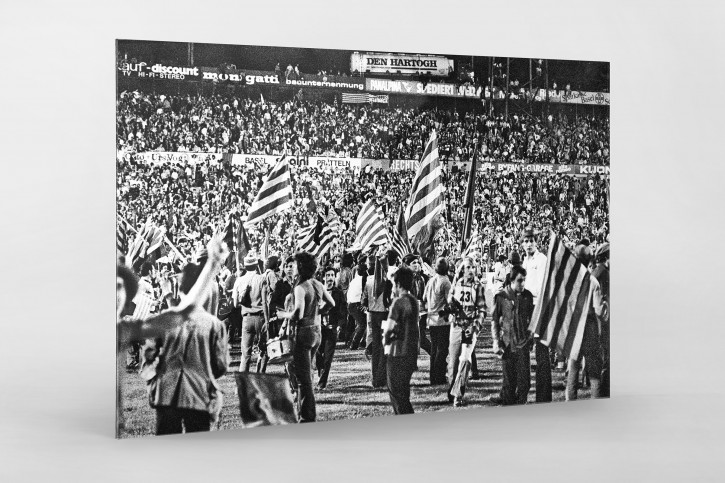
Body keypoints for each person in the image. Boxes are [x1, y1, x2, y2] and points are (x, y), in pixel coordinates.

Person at [140, 261, 229, 435]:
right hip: (199, 393)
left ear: (179, 288)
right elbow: (221, 365)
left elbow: (148, 355)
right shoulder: (215, 325)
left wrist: (154, 380)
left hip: (166, 392)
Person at [276, 251, 335, 423]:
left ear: (300, 267)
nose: (291, 268)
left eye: (294, 265)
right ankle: (306, 413)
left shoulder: (300, 288)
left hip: (304, 333)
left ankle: (306, 417)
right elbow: (331, 303)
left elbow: (298, 314)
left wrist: (283, 316)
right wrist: (318, 313)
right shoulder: (317, 283)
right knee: (308, 372)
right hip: (317, 331)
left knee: (303, 379)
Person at [566, 243, 609, 400]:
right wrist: (606, 307)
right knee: (594, 373)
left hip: (574, 325)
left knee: (573, 370)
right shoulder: (593, 282)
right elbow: (599, 310)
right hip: (589, 326)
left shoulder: (569, 281)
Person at [492, 265, 534, 405]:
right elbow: (495, 321)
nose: (522, 284)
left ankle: (521, 403)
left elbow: (532, 319)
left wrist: (530, 337)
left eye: (524, 280)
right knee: (509, 382)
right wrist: (496, 341)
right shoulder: (501, 297)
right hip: (507, 344)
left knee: (524, 382)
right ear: (512, 280)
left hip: (522, 343)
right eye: (519, 281)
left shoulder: (527, 296)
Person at [447, 257, 487, 406]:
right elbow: (449, 300)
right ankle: (452, 389)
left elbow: (482, 310)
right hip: (456, 325)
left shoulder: (478, 286)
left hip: (470, 326)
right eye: (468, 267)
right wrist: (450, 307)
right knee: (453, 361)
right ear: (462, 269)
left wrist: (475, 326)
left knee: (465, 359)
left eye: (473, 267)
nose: (471, 270)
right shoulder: (456, 283)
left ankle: (458, 394)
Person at [383, 265, 420, 415]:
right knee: (404, 393)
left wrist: (385, 341)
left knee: (396, 394)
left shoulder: (398, 303)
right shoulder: (414, 301)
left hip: (397, 352)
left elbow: (389, 329)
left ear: (398, 284)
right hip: (410, 352)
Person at [521, 227, 551, 403]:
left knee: (541, 352)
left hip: (538, 307)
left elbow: (541, 288)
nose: (529, 244)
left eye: (531, 240)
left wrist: (525, 292)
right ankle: (523, 392)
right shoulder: (524, 261)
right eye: (526, 240)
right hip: (525, 308)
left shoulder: (541, 260)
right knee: (523, 351)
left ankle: (544, 395)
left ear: (536, 242)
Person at [233, 255, 267, 372]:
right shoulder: (261, 279)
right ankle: (260, 376)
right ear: (256, 265)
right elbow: (265, 302)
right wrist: (267, 320)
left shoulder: (239, 280)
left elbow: (235, 304)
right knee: (263, 350)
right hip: (260, 317)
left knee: (245, 354)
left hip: (246, 318)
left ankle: (243, 382)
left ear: (245, 266)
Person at [361, 251, 389, 388]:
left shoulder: (369, 280)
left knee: (376, 346)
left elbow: (363, 300)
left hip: (373, 314)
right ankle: (380, 377)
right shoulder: (386, 280)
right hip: (383, 314)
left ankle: (375, 377)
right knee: (383, 347)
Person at [316, 266, 346, 389]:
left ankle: (321, 384)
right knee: (317, 354)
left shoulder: (338, 293)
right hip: (318, 328)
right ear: (324, 277)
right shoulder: (318, 291)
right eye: (327, 275)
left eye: (332, 275)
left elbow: (343, 311)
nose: (330, 278)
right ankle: (320, 369)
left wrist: (339, 326)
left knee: (328, 358)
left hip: (331, 328)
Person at [423, 256, 452, 385]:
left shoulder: (431, 280)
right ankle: (439, 376)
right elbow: (450, 301)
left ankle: (433, 376)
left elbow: (424, 297)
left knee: (434, 349)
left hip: (431, 319)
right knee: (442, 349)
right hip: (442, 319)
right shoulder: (446, 281)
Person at [403, 254, 431, 356]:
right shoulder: (404, 278)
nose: (417, 264)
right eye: (413, 263)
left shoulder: (422, 278)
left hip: (421, 312)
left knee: (421, 339)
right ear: (407, 265)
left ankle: (439, 361)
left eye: (418, 262)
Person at [347, 262, 368, 350]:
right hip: (356, 304)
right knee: (362, 325)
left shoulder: (354, 280)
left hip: (351, 304)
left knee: (360, 324)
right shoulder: (363, 280)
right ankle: (353, 344)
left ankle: (354, 342)